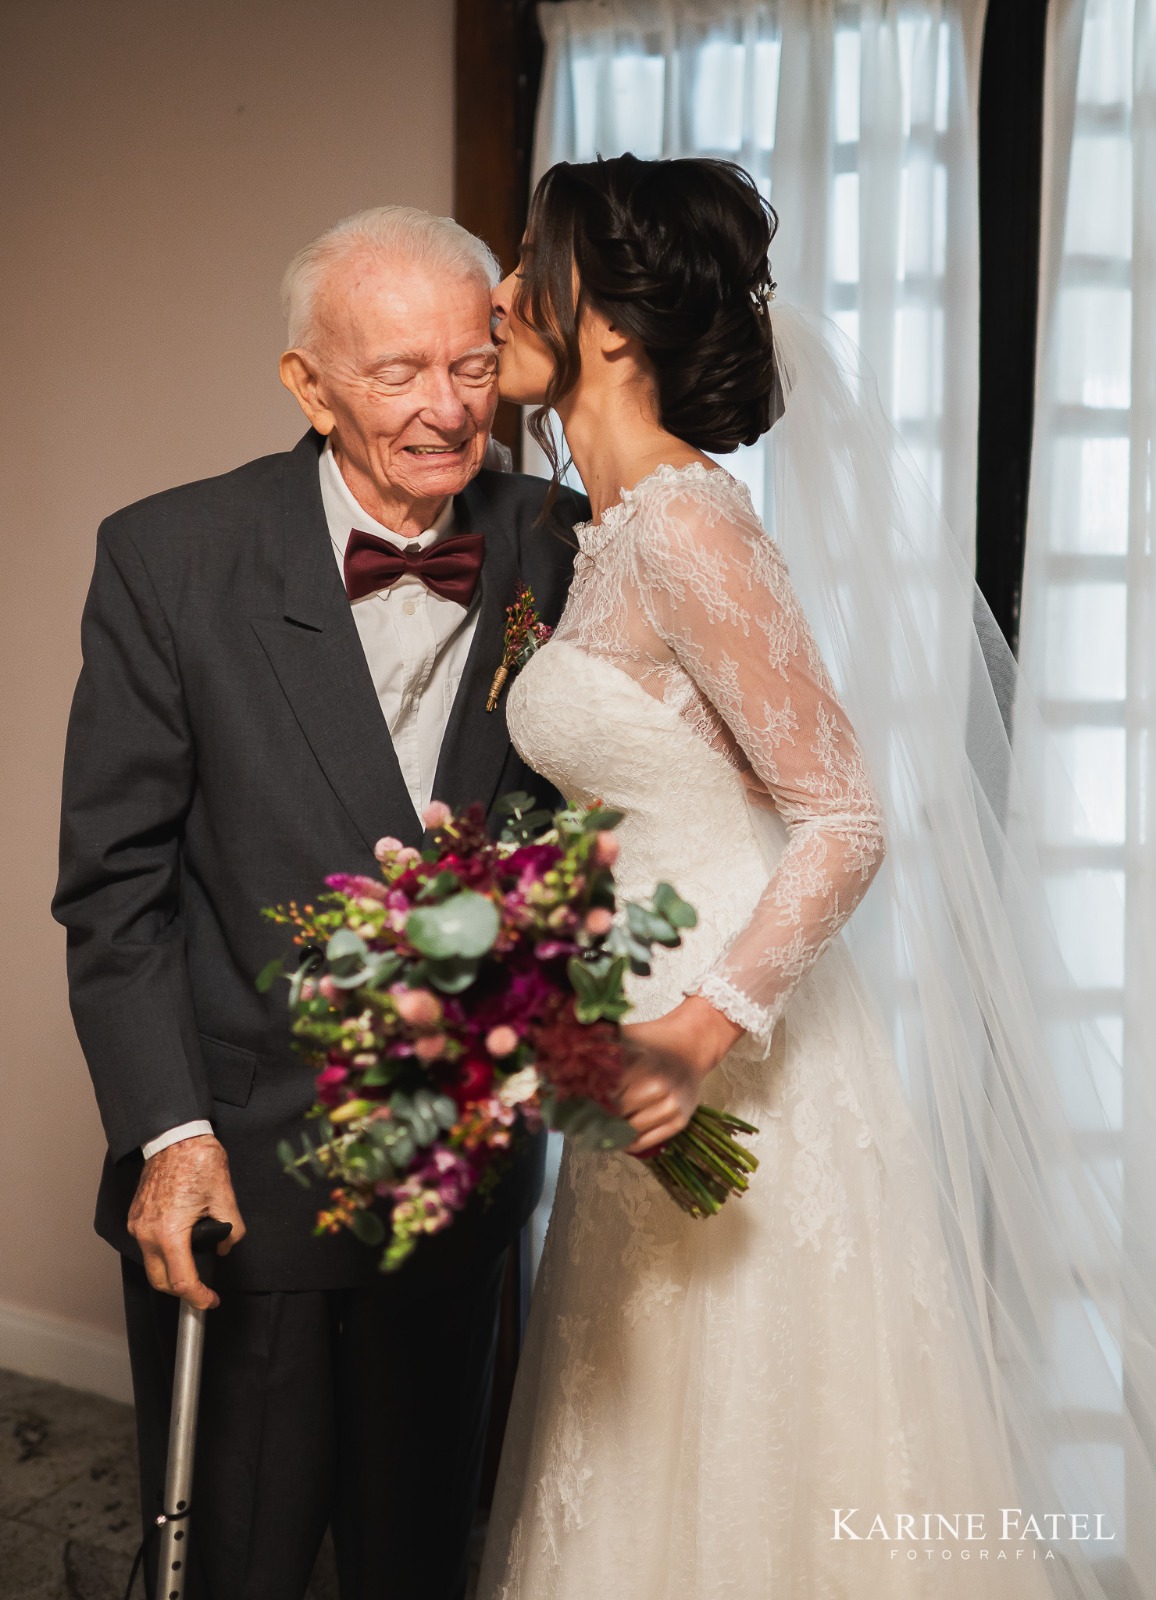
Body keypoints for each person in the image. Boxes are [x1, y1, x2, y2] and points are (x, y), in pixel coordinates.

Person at [477, 154, 1077, 1598]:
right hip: (633, 1047)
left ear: (608, 324)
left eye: (525, 260)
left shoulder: (688, 524)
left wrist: (696, 1030)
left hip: (725, 1057)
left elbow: (843, 818)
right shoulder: (614, 530)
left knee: (755, 1446)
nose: (498, 291)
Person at [52, 206, 585, 1600]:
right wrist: (170, 1137)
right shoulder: (170, 558)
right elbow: (116, 891)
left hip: (459, 1170)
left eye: (473, 366)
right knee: (243, 1559)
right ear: (306, 384)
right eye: (397, 371)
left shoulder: (562, 541)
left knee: (427, 1554)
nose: (446, 408)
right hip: (244, 1166)